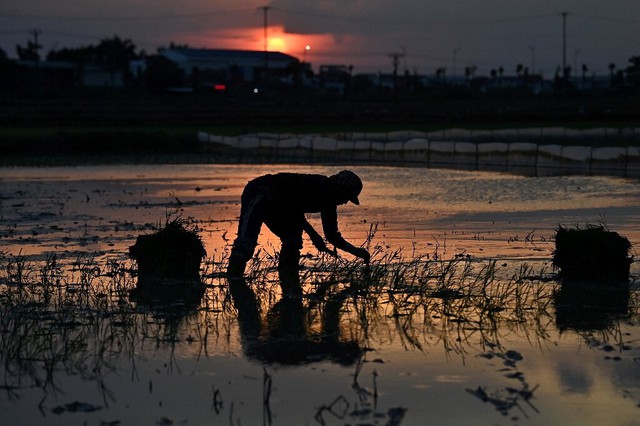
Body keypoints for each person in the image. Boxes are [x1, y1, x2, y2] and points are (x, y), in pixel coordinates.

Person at [227, 170, 370, 286]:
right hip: (261, 192)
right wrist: (314, 235)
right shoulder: (319, 186)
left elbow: (332, 235)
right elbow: (293, 208)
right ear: (340, 188)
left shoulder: (330, 202)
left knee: (293, 240)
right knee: (246, 241)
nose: (345, 202)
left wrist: (357, 252)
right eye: (347, 196)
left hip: (279, 204)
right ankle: (233, 280)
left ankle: (288, 274)